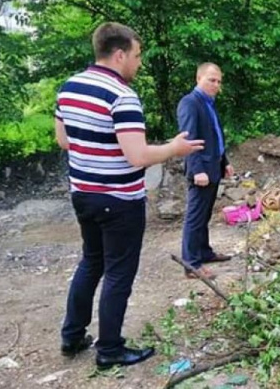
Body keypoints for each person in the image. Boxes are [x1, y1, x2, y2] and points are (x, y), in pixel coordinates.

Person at [55, 22, 204, 369]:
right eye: (136, 56)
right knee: (119, 272)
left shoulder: (70, 87)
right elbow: (137, 156)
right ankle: (110, 350)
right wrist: (174, 148)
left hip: (83, 194)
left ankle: (72, 336)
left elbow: (64, 140)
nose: (138, 63)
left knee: (91, 261)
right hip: (119, 200)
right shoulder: (122, 96)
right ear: (119, 54)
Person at [178, 63, 234, 280]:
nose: (216, 85)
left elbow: (215, 137)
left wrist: (224, 161)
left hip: (213, 167)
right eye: (211, 80)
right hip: (201, 171)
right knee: (195, 217)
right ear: (198, 78)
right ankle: (191, 264)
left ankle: (203, 252)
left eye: (219, 81)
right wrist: (197, 170)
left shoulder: (209, 104)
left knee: (204, 215)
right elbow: (188, 138)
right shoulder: (190, 103)